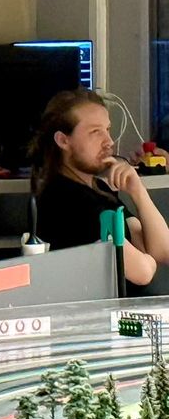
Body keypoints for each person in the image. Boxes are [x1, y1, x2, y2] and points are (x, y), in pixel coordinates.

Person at [32, 89, 169, 288]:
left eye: (107, 129)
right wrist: (144, 251)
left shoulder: (99, 189)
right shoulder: (66, 199)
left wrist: (138, 191)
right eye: (95, 132)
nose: (109, 141)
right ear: (63, 140)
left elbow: (163, 250)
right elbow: (143, 271)